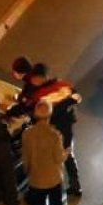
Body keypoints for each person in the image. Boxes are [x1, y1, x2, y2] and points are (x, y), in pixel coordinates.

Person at [14, 63, 84, 197]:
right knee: (64, 154)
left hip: (59, 126)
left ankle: (68, 185)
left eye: (35, 78)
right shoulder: (43, 91)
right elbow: (27, 106)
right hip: (59, 125)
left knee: (63, 154)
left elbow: (76, 97)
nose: (33, 81)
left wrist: (60, 107)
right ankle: (73, 185)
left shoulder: (58, 86)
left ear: (43, 77)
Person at [22, 99, 67, 205]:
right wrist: (67, 153)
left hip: (36, 180)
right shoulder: (55, 135)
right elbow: (59, 158)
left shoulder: (27, 135)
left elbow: (25, 160)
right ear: (50, 115)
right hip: (53, 179)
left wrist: (28, 173)